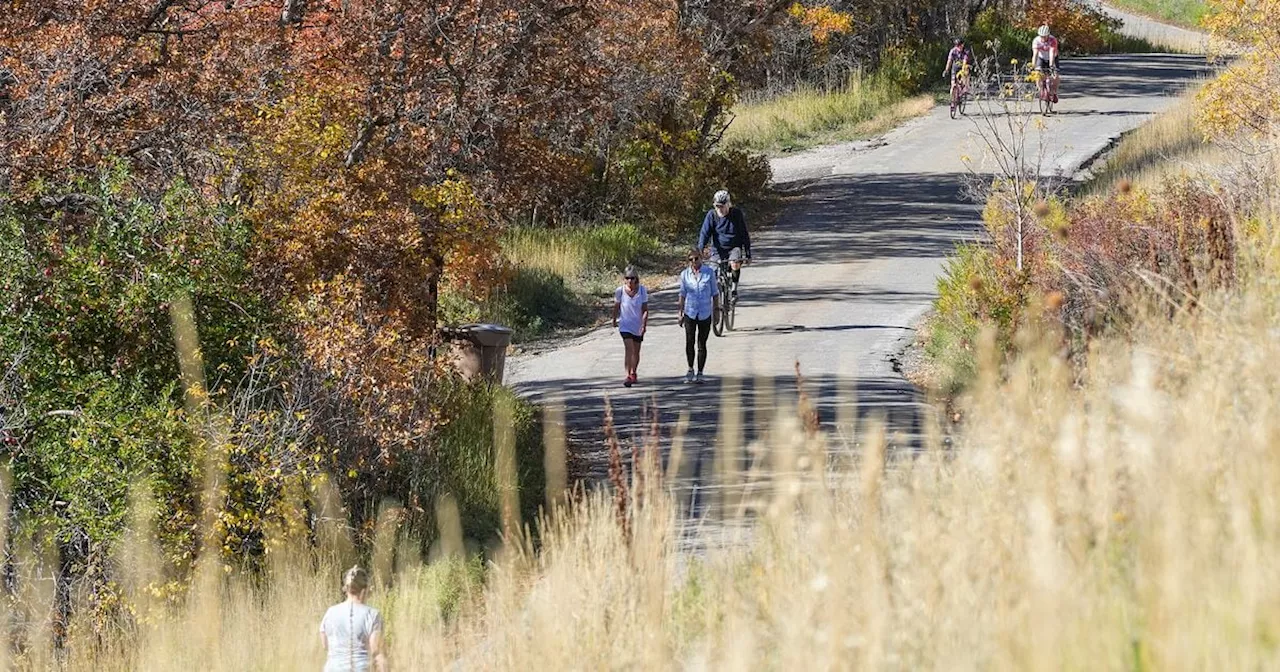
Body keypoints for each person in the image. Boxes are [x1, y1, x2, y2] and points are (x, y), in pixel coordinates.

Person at [319, 566, 387, 672]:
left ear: (346, 589)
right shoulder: (372, 614)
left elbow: (325, 645)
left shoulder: (330, 612)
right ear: (365, 589)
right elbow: (376, 650)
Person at [696, 190, 751, 299]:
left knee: (734, 263)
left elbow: (744, 234)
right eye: (717, 206)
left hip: (734, 247)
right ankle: (716, 299)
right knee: (713, 271)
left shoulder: (736, 214)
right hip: (718, 249)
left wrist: (748, 253)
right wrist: (700, 250)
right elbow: (704, 234)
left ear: (728, 204)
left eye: (722, 206)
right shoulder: (712, 215)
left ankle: (734, 289)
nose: (719, 209)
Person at [677, 249, 718, 384]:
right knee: (690, 341)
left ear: (701, 258)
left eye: (696, 258)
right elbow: (682, 294)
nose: (694, 262)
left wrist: (716, 311)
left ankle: (700, 372)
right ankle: (690, 369)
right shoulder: (684, 275)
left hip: (705, 312)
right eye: (691, 259)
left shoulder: (709, 273)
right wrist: (680, 312)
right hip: (690, 312)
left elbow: (715, 293)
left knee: (702, 343)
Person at [612, 265, 649, 387]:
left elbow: (645, 310)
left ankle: (634, 372)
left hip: (637, 325)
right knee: (629, 349)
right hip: (625, 325)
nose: (630, 281)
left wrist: (643, 325)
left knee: (636, 351)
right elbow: (616, 306)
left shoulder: (642, 291)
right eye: (627, 278)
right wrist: (614, 319)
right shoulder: (620, 291)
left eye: (632, 278)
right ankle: (627, 375)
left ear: (636, 278)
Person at [1031, 24, 1060, 103]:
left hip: (1053, 57)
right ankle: (1041, 91)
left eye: (1045, 36)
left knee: (1055, 75)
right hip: (1041, 58)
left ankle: (1054, 92)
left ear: (1048, 35)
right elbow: (1035, 54)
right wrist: (1033, 65)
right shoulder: (1036, 41)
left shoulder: (1053, 40)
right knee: (1038, 74)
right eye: (1041, 36)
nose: (1043, 38)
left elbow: (1052, 53)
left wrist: (1051, 65)